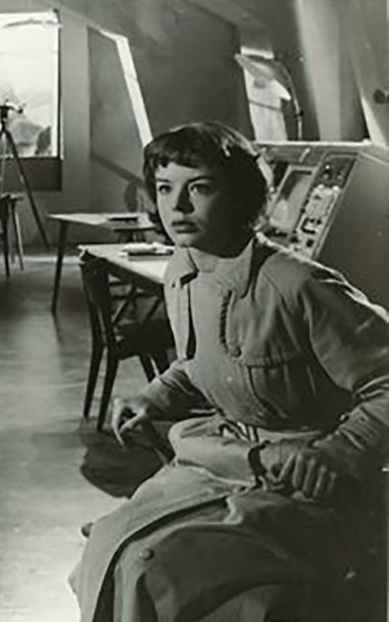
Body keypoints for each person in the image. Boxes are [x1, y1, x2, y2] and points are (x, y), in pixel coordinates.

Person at [72, 121, 389, 622]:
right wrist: (154, 397)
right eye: (164, 188)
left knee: (150, 568)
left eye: (199, 188)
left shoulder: (297, 285)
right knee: (109, 548)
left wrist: (341, 450)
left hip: (301, 485)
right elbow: (199, 363)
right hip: (222, 460)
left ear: (240, 195)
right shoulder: (183, 271)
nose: (177, 207)